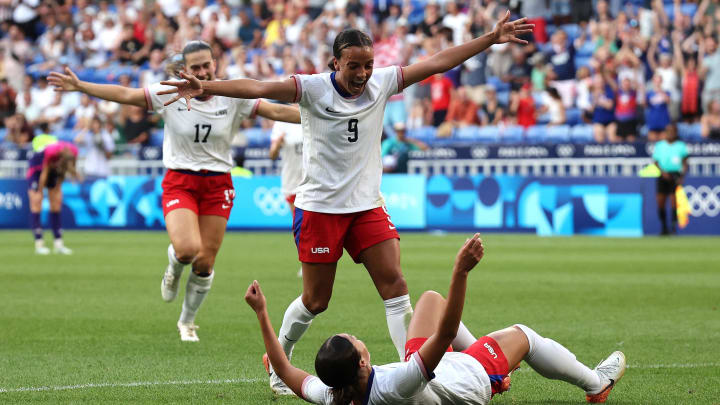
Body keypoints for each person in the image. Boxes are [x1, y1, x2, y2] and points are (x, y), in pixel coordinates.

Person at [160, 12, 533, 394]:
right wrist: (210, 86)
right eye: (354, 65)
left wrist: (490, 38)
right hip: (320, 208)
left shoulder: (383, 82)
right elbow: (258, 86)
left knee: (395, 286)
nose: (363, 73)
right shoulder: (312, 88)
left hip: (366, 206)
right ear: (336, 62)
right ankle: (278, 361)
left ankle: (412, 373)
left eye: (368, 65)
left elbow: (437, 62)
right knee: (316, 300)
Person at [47, 41, 301, 342]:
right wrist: (82, 86)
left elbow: (276, 111)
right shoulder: (170, 92)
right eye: (195, 67)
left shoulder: (232, 95)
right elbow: (125, 95)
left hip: (218, 183)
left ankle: (187, 321)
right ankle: (173, 266)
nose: (202, 71)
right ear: (185, 70)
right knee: (187, 250)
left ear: (214, 65)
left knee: (206, 262)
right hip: (181, 180)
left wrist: (329, 114)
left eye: (207, 65)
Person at [244, 233, 626, 405]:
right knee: (523, 335)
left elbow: (285, 370)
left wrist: (263, 314)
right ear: (362, 361)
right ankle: (596, 384)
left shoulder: (334, 394)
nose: (359, 338)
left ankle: (497, 366)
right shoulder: (396, 383)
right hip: (466, 384)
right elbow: (444, 335)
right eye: (357, 342)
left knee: (428, 300)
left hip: (430, 371)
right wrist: (460, 272)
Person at [26, 140, 79, 255]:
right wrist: (39, 190)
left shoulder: (74, 151)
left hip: (53, 171)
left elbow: (64, 173)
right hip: (37, 169)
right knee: (36, 202)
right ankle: (39, 243)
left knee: (56, 204)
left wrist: (57, 186)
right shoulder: (51, 152)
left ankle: (58, 244)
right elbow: (44, 173)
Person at [652, 125, 689, 235]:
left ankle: (673, 227)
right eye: (668, 131)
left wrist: (681, 176)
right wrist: (663, 173)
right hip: (662, 175)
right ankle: (663, 227)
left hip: (675, 175)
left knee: (674, 201)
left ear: (676, 132)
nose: (670, 133)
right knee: (660, 202)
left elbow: (685, 162)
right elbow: (656, 162)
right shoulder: (660, 145)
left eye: (672, 131)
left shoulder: (680, 146)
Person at [268, 120, 304, 210]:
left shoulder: (313, 114)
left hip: (314, 180)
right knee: (298, 221)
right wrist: (278, 143)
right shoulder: (281, 122)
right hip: (292, 181)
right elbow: (272, 155)